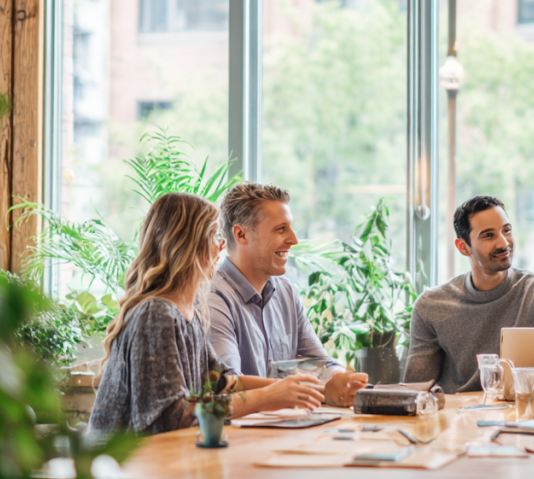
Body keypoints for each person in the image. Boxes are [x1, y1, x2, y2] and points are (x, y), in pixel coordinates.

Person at [88, 193, 326, 437]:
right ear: (187, 243)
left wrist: (287, 388)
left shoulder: (190, 312)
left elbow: (221, 381)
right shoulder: (156, 314)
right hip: (117, 465)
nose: (220, 246)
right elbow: (173, 417)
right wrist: (267, 397)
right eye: (213, 235)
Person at [208, 182, 368, 408]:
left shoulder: (286, 291)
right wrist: (321, 392)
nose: (294, 239)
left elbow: (324, 364)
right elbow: (229, 385)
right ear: (241, 234)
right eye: (280, 229)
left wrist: (343, 381)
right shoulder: (213, 299)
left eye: (290, 227)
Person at [403, 195, 534, 393]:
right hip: (456, 417)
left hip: (520, 414)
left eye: (506, 230)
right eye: (488, 235)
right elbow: (415, 391)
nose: (503, 243)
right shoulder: (431, 305)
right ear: (463, 247)